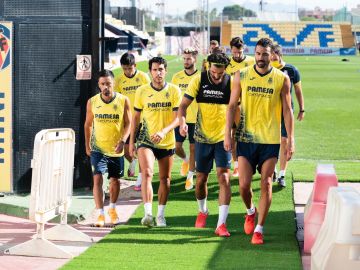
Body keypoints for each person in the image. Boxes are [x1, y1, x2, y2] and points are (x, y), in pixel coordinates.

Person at [225, 38, 294, 244]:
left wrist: (291, 139)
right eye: (258, 54)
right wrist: (227, 133)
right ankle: (250, 210)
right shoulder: (241, 76)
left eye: (265, 54)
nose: (261, 58)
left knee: (266, 183)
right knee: (244, 186)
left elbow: (288, 111)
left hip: (270, 140)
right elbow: (231, 106)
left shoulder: (282, 79)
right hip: (246, 138)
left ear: (272, 55)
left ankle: (259, 229)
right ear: (253, 54)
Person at [178, 52, 232, 237]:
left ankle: (221, 224)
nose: (217, 76)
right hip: (201, 137)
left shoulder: (231, 82)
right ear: (208, 66)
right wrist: (183, 122)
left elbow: (237, 110)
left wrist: (233, 134)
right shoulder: (199, 80)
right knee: (201, 180)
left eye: (221, 72)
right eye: (215, 72)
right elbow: (183, 106)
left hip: (223, 137)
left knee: (224, 178)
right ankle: (203, 211)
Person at [129, 57, 181, 227]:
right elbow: (135, 119)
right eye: (155, 70)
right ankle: (148, 214)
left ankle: (160, 215)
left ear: (165, 71)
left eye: (161, 69)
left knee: (165, 179)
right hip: (147, 140)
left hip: (167, 141)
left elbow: (178, 119)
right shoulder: (142, 91)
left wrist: (164, 131)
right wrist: (131, 142)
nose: (158, 73)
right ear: (150, 71)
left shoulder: (174, 91)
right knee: (148, 173)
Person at [84, 69, 131, 227]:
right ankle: (100, 214)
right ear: (98, 85)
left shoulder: (123, 100)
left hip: (116, 148)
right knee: (97, 179)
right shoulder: (92, 102)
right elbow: (88, 124)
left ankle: (112, 208)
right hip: (98, 148)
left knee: (115, 180)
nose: (106, 87)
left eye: (108, 84)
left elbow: (129, 123)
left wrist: (123, 140)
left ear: (113, 84)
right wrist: (87, 144)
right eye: (103, 84)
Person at [114, 52, 151, 191]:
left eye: (130, 68)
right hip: (127, 121)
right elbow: (118, 100)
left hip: (142, 119)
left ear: (135, 65)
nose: (127, 71)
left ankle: (140, 180)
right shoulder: (118, 80)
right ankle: (133, 161)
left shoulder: (143, 77)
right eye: (124, 69)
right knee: (125, 149)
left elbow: (149, 95)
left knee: (142, 149)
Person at [271, 44, 305, 187]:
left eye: (274, 58)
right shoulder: (267, 69)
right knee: (271, 141)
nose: (272, 60)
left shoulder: (291, 70)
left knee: (284, 141)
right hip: (270, 111)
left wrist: (302, 108)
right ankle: (272, 169)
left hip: (286, 110)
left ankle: (282, 174)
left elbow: (298, 90)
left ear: (280, 56)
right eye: (270, 57)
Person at [226, 37, 256, 178]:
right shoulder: (227, 63)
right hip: (230, 105)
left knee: (246, 136)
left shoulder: (251, 62)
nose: (237, 55)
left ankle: (249, 163)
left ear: (244, 49)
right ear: (230, 50)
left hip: (247, 105)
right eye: (234, 52)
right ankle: (236, 165)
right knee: (232, 135)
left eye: (239, 52)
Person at [171, 47, 199, 190]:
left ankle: (190, 177)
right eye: (184, 58)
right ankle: (186, 160)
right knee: (176, 147)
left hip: (196, 119)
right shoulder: (176, 77)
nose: (186, 61)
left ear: (195, 59)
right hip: (180, 118)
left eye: (188, 58)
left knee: (194, 148)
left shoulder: (201, 76)